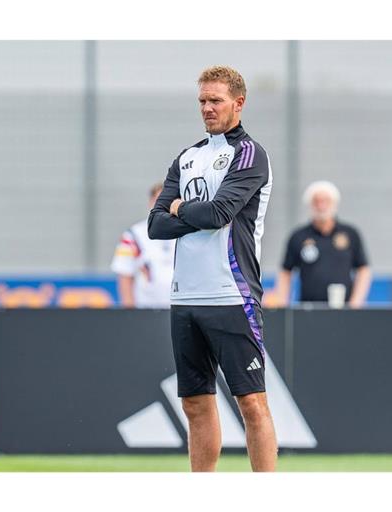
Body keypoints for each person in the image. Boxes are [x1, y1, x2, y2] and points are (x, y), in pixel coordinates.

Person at [147, 66, 277, 472]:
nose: (207, 107)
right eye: (202, 100)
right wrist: (192, 214)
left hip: (231, 293)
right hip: (185, 296)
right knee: (195, 403)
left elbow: (220, 212)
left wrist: (181, 207)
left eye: (215, 100)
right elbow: (155, 225)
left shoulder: (249, 154)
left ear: (238, 103)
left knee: (251, 403)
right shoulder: (186, 158)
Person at [274, 180, 372, 307]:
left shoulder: (350, 234)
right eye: (316, 201)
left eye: (326, 201)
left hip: (344, 309)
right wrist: (282, 302)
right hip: (308, 310)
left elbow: (363, 269)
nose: (321, 206)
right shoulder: (298, 236)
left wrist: (356, 302)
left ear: (334, 203)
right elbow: (286, 271)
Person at [111, 183, 175, 308]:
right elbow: (124, 275)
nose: (164, 206)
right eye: (159, 201)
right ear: (151, 203)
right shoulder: (133, 235)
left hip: (180, 310)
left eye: (169, 201)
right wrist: (130, 313)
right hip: (146, 309)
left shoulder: (189, 233)